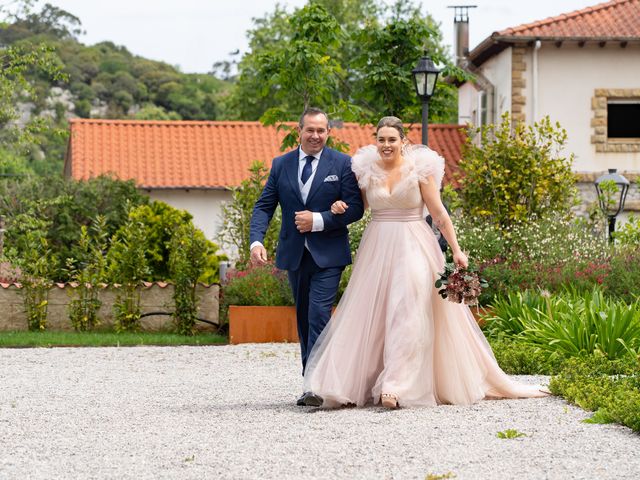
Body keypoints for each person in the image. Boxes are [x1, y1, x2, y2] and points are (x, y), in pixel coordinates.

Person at [303, 116, 548, 409]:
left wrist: (457, 250)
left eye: (392, 139)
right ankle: (357, 381)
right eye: (381, 139)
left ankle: (396, 385)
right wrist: (339, 205)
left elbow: (439, 213)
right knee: (371, 312)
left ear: (403, 141)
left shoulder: (420, 170)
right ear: (376, 141)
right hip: (377, 247)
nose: (386, 145)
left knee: (407, 309)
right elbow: (359, 206)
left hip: (414, 244)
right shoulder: (365, 170)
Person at [249, 107, 364, 407]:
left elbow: (356, 208)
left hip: (329, 255)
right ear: (299, 131)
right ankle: (309, 383)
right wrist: (256, 241)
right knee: (303, 318)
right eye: (310, 130)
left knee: (318, 314)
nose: (316, 136)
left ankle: (317, 383)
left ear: (328, 132)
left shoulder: (343, 164)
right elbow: (264, 206)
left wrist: (321, 219)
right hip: (295, 254)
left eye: (321, 130)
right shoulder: (281, 165)